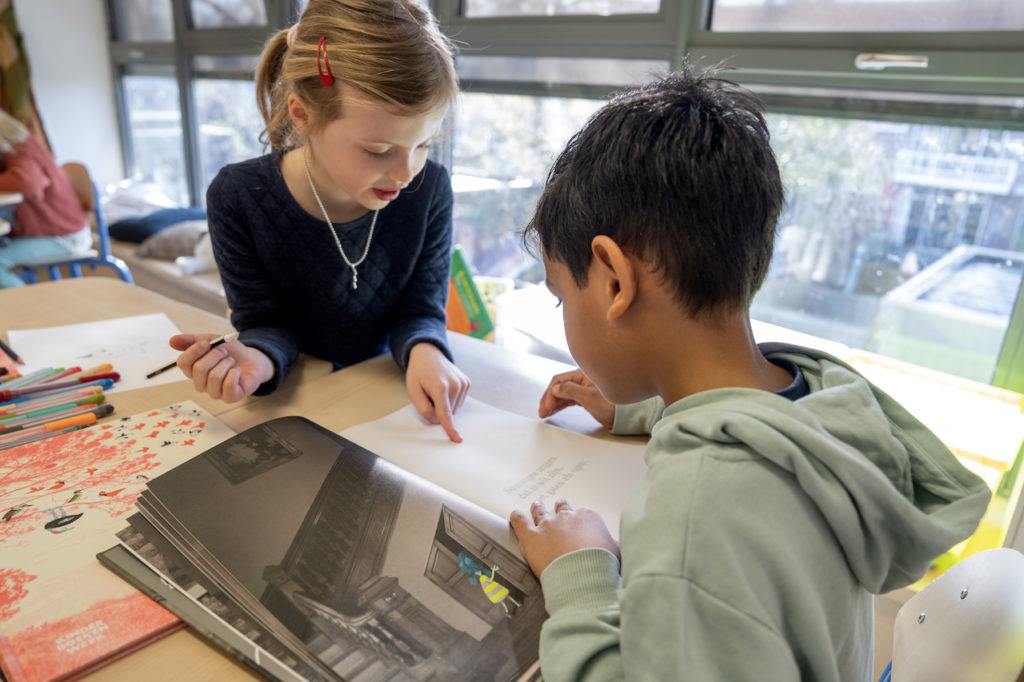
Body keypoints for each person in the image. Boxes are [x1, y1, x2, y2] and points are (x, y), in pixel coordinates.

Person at [508, 65, 992, 681]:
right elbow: (741, 409)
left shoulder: (694, 513)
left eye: (560, 297)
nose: (562, 315)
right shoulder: (821, 400)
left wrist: (580, 573)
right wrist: (640, 406)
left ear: (613, 281)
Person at [169, 0, 470, 441]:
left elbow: (420, 308)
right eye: (378, 150)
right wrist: (256, 359)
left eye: (424, 144)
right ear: (302, 115)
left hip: (387, 393)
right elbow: (267, 322)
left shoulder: (430, 188)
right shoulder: (238, 197)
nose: (406, 173)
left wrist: (427, 349)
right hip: (302, 405)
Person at [0, 110, 91, 288]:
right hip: (54, 230)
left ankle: (27, 304)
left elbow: (28, 183)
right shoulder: (22, 143)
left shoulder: (20, 149)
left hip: (65, 237)